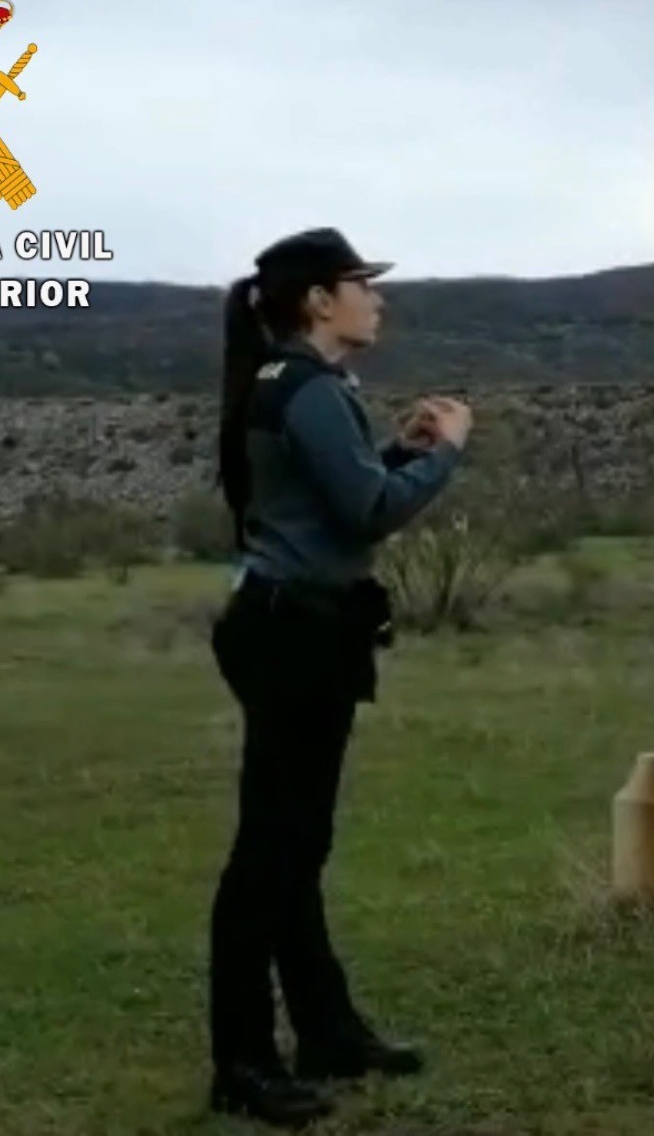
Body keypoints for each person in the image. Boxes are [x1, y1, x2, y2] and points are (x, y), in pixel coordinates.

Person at [205, 227, 471, 1126]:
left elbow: (325, 497)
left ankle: (325, 1030)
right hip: (297, 634)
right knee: (271, 854)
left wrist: (394, 450)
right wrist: (445, 452)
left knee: (294, 846)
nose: (377, 298)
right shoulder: (311, 388)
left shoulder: (287, 383)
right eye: (363, 284)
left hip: (287, 626)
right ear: (320, 300)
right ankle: (243, 1062)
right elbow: (367, 513)